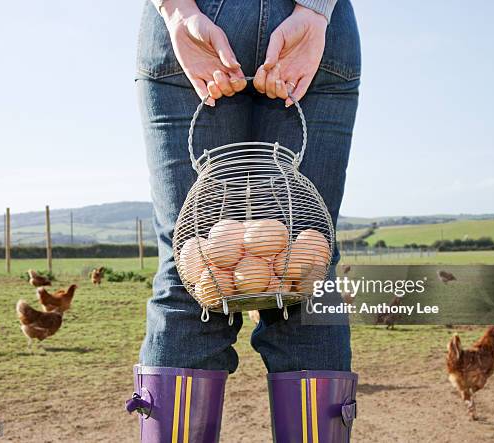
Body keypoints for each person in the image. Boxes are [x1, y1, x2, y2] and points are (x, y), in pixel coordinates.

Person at [126, 1, 361, 441]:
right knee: (305, 271)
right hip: (316, 26)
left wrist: (176, 11)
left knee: (192, 276)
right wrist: (313, 13)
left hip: (200, 14)